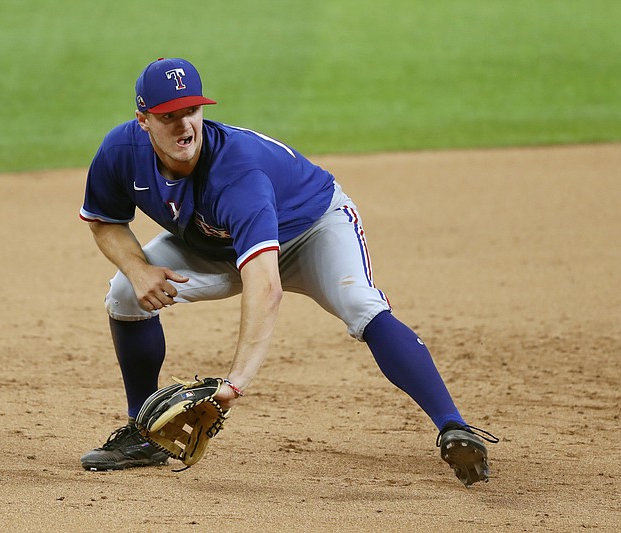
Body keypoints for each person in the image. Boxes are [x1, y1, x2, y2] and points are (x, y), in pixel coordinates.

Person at [78, 57, 497, 487]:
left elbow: (265, 286)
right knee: (125, 293)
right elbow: (104, 219)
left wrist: (233, 386)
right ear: (143, 120)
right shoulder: (120, 152)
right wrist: (137, 268)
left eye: (192, 110)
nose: (185, 126)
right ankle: (144, 435)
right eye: (169, 116)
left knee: (360, 304)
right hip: (216, 241)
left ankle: (453, 426)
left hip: (312, 227)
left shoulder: (237, 173)